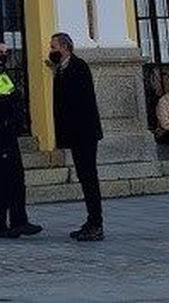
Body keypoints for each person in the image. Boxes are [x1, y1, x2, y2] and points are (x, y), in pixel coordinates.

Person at [0, 39, 41, 238]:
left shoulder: (1, 73)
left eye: (6, 52)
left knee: (15, 178)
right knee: (3, 179)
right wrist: (7, 104)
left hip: (7, 131)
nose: (4, 55)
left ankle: (18, 221)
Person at [49, 32, 104, 242]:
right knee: (84, 176)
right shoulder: (61, 69)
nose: (51, 50)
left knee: (89, 176)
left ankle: (96, 224)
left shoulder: (78, 67)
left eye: (54, 46)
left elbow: (79, 102)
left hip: (84, 132)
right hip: (75, 133)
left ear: (65, 47)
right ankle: (91, 221)